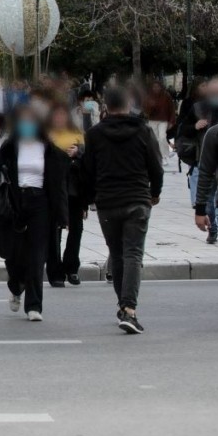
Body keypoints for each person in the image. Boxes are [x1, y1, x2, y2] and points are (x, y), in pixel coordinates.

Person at [0, 105, 68, 321]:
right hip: (14, 204)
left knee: (37, 257)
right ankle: (16, 285)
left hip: (40, 204)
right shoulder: (10, 147)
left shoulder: (48, 149)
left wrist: (63, 217)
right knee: (13, 255)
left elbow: (58, 184)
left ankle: (34, 306)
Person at [84, 87, 163, 334]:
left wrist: (88, 200)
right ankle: (129, 309)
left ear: (105, 107)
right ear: (128, 105)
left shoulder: (95, 134)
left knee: (116, 254)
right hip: (137, 200)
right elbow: (156, 166)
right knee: (133, 254)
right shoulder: (143, 131)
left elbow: (88, 170)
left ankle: (122, 305)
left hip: (107, 202)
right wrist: (155, 192)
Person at [179, 77, 218, 244]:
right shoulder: (198, 108)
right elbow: (182, 131)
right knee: (210, 195)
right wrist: (195, 126)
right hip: (204, 157)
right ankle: (212, 229)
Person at [47, 103, 86, 286]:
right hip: (54, 189)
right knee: (55, 231)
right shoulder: (47, 135)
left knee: (76, 230)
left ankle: (71, 267)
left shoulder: (77, 134)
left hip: (75, 190)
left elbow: (88, 159)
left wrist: (78, 153)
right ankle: (55, 271)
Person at [143, 80, 175, 165]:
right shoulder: (149, 96)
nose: (156, 88)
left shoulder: (166, 96)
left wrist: (171, 121)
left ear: (161, 87)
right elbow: (145, 110)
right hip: (152, 120)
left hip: (163, 120)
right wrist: (150, 107)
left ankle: (164, 156)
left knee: (162, 137)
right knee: (155, 139)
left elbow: (171, 108)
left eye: (158, 86)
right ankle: (157, 156)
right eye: (154, 87)